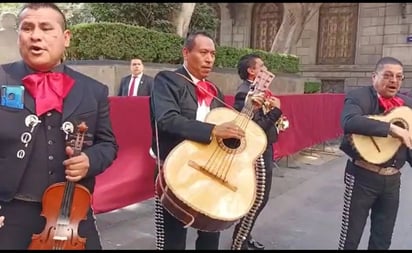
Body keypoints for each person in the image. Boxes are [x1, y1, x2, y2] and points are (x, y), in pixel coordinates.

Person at [0, 3, 118, 249]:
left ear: (65, 38)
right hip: (9, 211)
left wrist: (90, 161)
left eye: (45, 28)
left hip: (71, 215)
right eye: (27, 28)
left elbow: (108, 145)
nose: (35, 36)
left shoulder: (93, 90)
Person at [149, 31, 247, 250]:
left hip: (209, 172)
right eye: (203, 52)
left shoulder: (214, 90)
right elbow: (167, 120)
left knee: (210, 235)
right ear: (186, 53)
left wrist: (252, 108)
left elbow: (227, 127)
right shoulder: (166, 80)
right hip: (176, 170)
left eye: (212, 53)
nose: (210, 58)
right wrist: (213, 130)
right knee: (173, 240)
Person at [338, 56, 412, 250]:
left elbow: (408, 142)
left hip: (392, 181)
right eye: (387, 75)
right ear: (374, 77)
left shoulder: (406, 104)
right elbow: (349, 121)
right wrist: (392, 129)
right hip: (362, 176)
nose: (394, 81)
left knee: (382, 238)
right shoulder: (359, 96)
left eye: (398, 77)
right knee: (350, 238)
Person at [230, 54, 283, 250]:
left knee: (258, 199)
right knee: (259, 198)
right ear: (251, 71)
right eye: (262, 66)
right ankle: (239, 242)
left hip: (265, 148)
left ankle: (244, 236)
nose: (266, 69)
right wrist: (276, 112)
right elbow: (252, 129)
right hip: (257, 152)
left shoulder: (257, 90)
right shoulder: (245, 93)